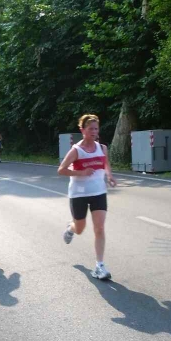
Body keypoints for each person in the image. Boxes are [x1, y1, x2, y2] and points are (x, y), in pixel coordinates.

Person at [58, 114, 117, 280]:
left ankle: (99, 266)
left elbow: (105, 162)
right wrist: (81, 172)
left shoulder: (102, 148)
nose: (94, 131)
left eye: (96, 128)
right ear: (82, 130)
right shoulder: (76, 150)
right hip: (79, 194)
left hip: (99, 192)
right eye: (90, 128)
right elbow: (61, 170)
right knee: (80, 228)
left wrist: (109, 175)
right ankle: (71, 228)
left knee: (99, 228)